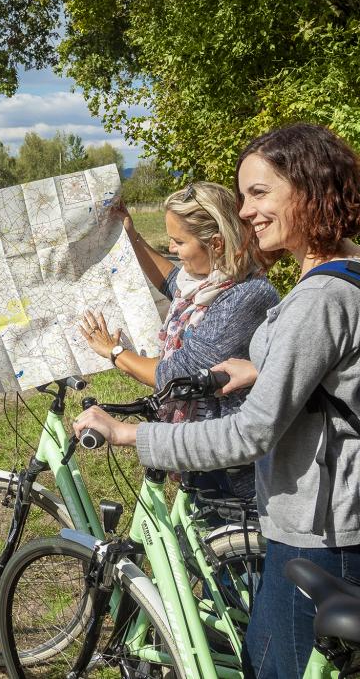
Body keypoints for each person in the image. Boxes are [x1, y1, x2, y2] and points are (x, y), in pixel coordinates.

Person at [74, 123, 360, 678]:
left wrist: (130, 433)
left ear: (311, 188)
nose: (247, 210)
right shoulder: (348, 275)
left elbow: (252, 432)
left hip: (319, 531)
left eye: (260, 193)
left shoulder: (316, 298)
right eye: (243, 194)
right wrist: (265, 368)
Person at [81, 181, 278, 498]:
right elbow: (170, 281)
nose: (171, 249)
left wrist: (114, 352)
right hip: (198, 445)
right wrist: (130, 231)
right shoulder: (206, 282)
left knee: (221, 538)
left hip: (226, 459)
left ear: (215, 244)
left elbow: (175, 373)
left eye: (179, 242)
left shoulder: (244, 297)